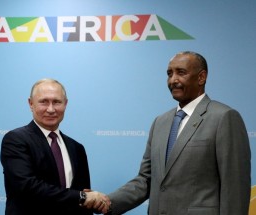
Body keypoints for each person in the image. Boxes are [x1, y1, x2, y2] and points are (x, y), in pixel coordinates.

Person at [87, 51, 251, 215]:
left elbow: (235, 188)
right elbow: (146, 179)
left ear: (201, 77)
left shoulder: (224, 117)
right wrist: (108, 202)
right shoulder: (160, 122)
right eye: (169, 74)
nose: (173, 80)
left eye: (181, 72)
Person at [0, 78, 103, 215]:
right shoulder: (15, 140)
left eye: (57, 102)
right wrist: (82, 197)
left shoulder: (77, 148)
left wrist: (95, 201)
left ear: (65, 104)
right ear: (31, 104)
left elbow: (84, 198)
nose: (51, 109)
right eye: (44, 102)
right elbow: (28, 187)